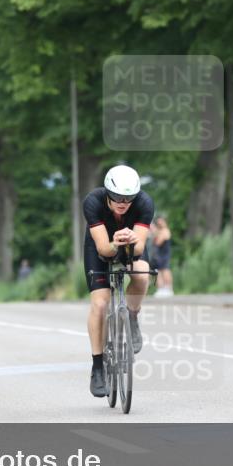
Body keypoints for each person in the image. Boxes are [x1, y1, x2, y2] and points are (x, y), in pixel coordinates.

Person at [83, 165, 154, 398]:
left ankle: (132, 315)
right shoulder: (93, 202)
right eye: (117, 197)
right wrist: (115, 243)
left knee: (142, 273)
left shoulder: (144, 203)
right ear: (107, 193)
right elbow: (104, 248)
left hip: (131, 245)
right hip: (102, 246)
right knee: (101, 303)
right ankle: (97, 367)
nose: (123, 202)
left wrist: (132, 239)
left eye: (129, 198)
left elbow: (140, 248)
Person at [150, 215, 174, 297]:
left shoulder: (165, 231)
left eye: (161, 221)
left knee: (165, 270)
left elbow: (158, 242)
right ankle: (162, 288)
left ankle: (168, 288)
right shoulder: (160, 231)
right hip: (159, 254)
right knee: (159, 271)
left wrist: (155, 233)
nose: (160, 223)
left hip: (164, 254)